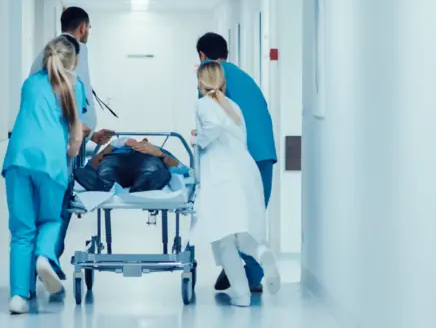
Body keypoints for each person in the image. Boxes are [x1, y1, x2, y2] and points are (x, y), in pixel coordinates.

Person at [3, 36, 86, 314]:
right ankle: (44, 257)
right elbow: (75, 138)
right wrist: (71, 154)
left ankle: (18, 296)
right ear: (72, 61)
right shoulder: (75, 86)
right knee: (50, 218)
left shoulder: (30, 83)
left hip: (17, 159)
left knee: (21, 229)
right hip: (51, 161)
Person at [189, 61, 281, 307]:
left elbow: (213, 129)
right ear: (224, 82)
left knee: (223, 237)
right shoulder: (234, 107)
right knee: (241, 232)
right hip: (244, 170)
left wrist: (198, 139)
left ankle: (242, 295)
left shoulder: (203, 104)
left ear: (200, 83)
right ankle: (263, 255)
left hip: (221, 176)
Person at [30, 7, 114, 269]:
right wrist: (87, 131)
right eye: (88, 28)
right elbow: (81, 94)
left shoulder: (45, 53)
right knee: (59, 206)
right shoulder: (77, 50)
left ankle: (31, 276)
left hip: (33, 147)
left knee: (34, 215)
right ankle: (49, 259)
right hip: (64, 146)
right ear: (83, 28)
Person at [74, 137, 186, 192]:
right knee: (105, 170)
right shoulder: (117, 148)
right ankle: (105, 185)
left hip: (148, 160)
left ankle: (143, 188)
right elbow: (93, 163)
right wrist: (112, 146)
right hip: (116, 159)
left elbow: (182, 169)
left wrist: (160, 154)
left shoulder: (156, 150)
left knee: (152, 170)